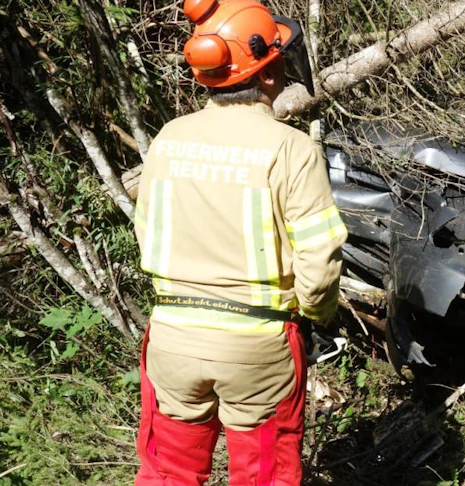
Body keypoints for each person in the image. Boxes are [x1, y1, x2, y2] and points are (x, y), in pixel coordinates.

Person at [132, 1, 345, 484]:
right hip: (258, 343)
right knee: (264, 475)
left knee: (168, 473)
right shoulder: (290, 147)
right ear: (267, 73)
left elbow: (147, 230)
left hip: (172, 337)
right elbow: (318, 255)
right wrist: (317, 314)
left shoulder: (169, 137)